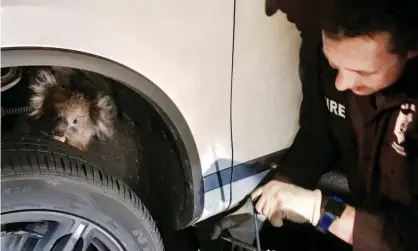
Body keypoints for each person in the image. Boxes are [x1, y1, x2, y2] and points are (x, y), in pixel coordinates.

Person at [255, 0, 418, 251]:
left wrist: (322, 211)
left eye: (363, 72)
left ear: (411, 51)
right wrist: (285, 182)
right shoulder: (321, 47)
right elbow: (319, 132)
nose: (341, 83)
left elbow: (409, 237)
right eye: (334, 65)